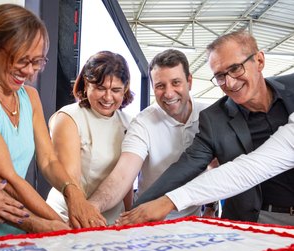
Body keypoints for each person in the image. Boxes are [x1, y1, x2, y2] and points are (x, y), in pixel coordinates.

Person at [117, 29, 294, 226]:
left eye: (235, 68)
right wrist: (136, 211)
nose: (229, 83)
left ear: (259, 61)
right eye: (220, 76)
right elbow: (185, 167)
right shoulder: (213, 118)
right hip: (255, 219)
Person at [0, 4, 106, 236]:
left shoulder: (30, 97)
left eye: (37, 62)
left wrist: (73, 193)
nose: (29, 72)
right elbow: (10, 179)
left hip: (16, 221)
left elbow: (48, 160)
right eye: (22, 60)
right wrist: (58, 226)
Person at [88, 49, 216, 221]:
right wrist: (92, 207)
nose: (169, 93)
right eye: (160, 86)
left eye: (176, 82)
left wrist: (210, 207)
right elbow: (123, 175)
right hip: (148, 221)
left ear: (189, 81)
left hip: (192, 221)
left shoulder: (210, 115)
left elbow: (219, 167)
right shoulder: (143, 123)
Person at [118, 113, 294, 225]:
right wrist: (163, 202)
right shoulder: (143, 120)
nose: (229, 82)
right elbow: (247, 169)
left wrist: (168, 202)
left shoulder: (206, 113)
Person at [46, 51, 134, 225]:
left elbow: (126, 180)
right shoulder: (69, 117)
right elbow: (72, 181)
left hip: (111, 222)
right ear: (86, 84)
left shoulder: (128, 123)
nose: (108, 97)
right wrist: (84, 219)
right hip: (67, 217)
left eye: (116, 90)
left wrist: (130, 217)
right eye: (101, 88)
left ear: (125, 89)